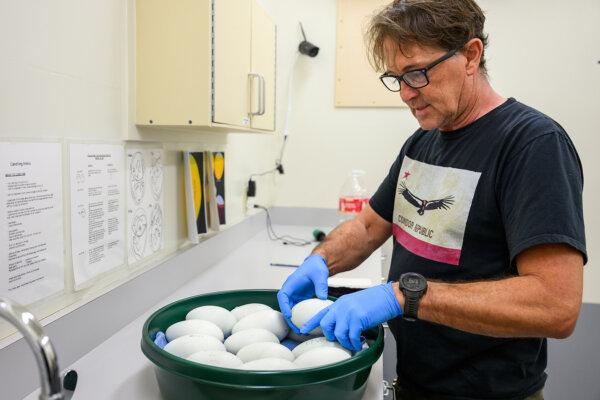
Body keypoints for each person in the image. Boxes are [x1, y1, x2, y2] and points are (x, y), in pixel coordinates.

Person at [277, 1, 587, 399]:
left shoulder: (531, 145)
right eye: (397, 78)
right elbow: (369, 226)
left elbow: (555, 305)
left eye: (418, 73)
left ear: (471, 55)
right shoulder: (424, 142)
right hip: (416, 385)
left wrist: (404, 295)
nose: (406, 93)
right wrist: (320, 259)